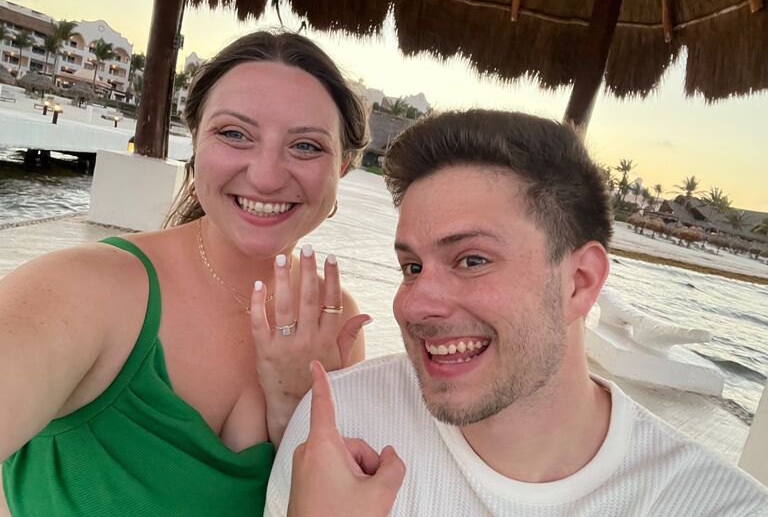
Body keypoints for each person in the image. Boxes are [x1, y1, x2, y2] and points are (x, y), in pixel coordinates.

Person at [266, 110, 768, 516]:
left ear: (580, 282)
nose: (414, 304)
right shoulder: (339, 430)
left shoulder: (713, 505)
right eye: (412, 266)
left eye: (472, 260)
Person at [0, 31, 371, 517]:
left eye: (305, 146)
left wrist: (291, 413)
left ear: (341, 167)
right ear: (194, 142)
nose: (265, 175)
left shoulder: (333, 314)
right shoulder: (86, 289)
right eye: (235, 134)